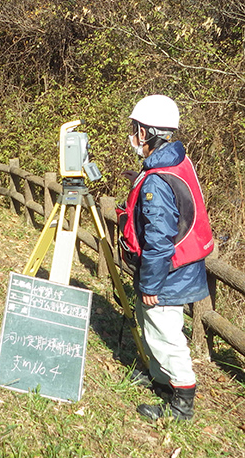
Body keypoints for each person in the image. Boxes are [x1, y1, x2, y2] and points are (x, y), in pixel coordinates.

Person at [118, 94, 214, 421]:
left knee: (166, 334)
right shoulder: (175, 161)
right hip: (179, 269)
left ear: (146, 133)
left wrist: (149, 284)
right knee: (154, 328)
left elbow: (159, 241)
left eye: (135, 129)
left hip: (168, 274)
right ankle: (161, 380)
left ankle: (182, 403)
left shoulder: (157, 181)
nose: (133, 135)